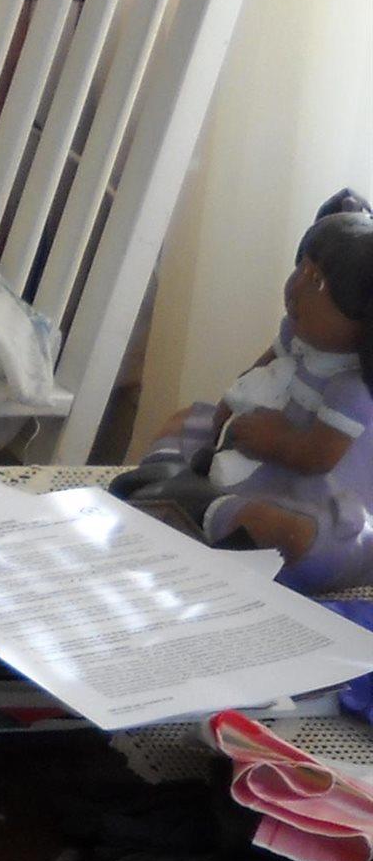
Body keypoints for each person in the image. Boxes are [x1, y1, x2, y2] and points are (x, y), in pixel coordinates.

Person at [117, 191, 373, 590]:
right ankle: (175, 483)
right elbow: (256, 372)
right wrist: (225, 411)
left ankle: (197, 507)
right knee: (185, 419)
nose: (296, 287)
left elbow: (319, 456)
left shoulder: (350, 390)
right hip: (250, 452)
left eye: (317, 282)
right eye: (302, 269)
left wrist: (277, 441)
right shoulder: (293, 334)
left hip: (309, 485)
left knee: (291, 533)